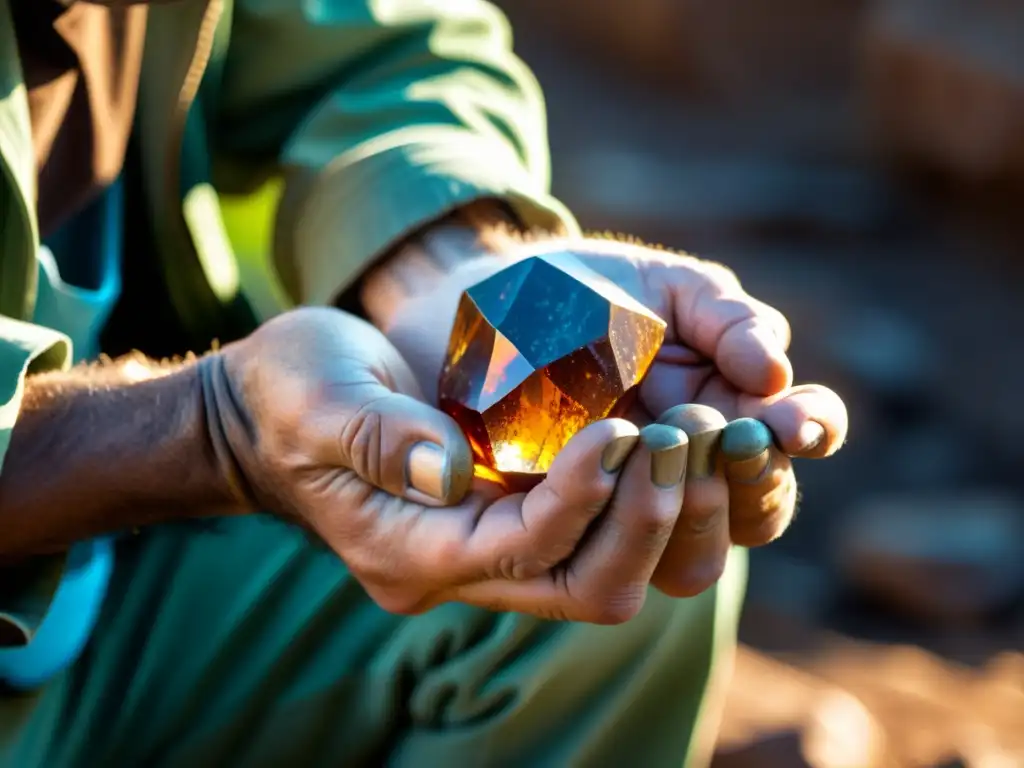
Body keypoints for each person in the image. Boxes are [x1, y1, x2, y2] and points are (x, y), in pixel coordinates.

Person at [0, 1, 848, 766]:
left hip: (120, 586)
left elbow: (377, 47)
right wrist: (210, 431)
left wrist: (445, 259)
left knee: (617, 548)